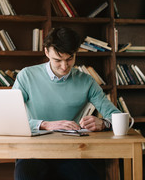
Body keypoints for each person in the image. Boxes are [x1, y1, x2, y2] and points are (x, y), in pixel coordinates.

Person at [12, 27, 121, 180]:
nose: (64, 66)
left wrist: (104, 123)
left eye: (70, 59)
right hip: (33, 151)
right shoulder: (26, 76)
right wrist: (45, 124)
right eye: (57, 60)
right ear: (46, 52)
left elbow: (119, 117)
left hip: (71, 151)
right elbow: (11, 119)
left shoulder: (86, 81)